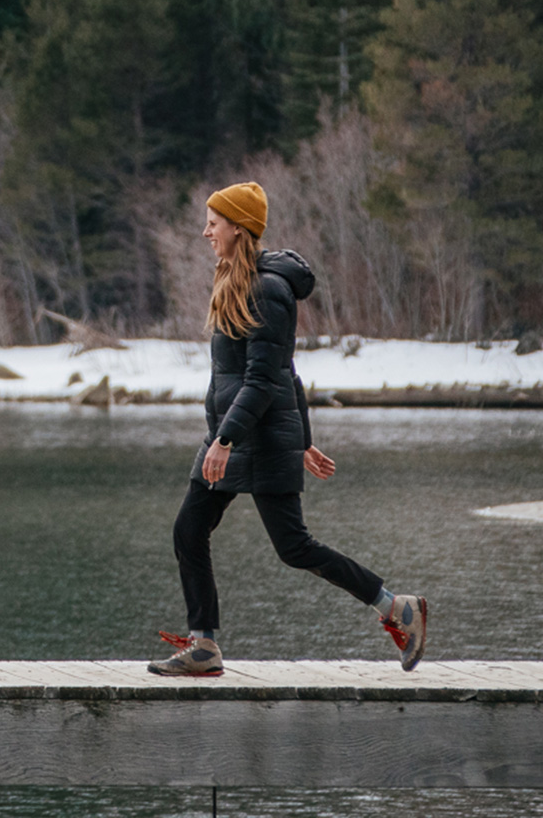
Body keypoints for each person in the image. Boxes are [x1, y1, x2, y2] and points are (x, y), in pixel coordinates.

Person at [151, 182, 429, 678]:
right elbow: (287, 374)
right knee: (188, 529)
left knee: (294, 547)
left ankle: (397, 607)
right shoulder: (238, 283)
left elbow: (265, 379)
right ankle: (204, 645)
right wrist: (300, 438)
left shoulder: (268, 290)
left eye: (213, 223)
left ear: (238, 228)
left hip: (247, 438)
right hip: (237, 436)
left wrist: (228, 439)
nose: (205, 231)